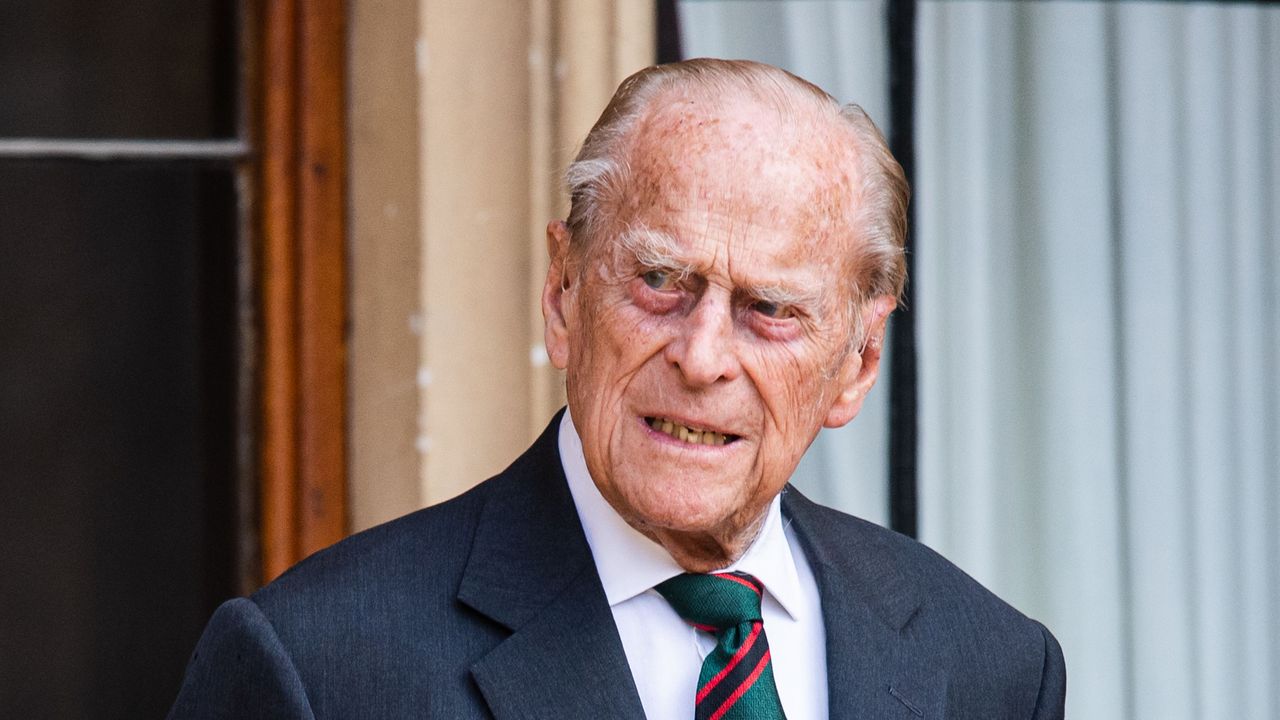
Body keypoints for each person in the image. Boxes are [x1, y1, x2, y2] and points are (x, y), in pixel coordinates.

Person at [168, 58, 1065, 719]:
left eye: (770, 309)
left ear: (858, 365)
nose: (703, 355)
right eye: (662, 282)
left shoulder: (989, 668)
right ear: (563, 292)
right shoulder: (318, 669)